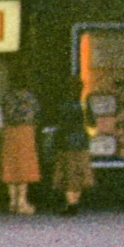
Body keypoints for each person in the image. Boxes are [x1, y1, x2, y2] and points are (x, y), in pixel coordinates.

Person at [0, 82, 42, 214]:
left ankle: (12, 202)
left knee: (10, 165)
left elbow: (2, 112)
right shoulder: (29, 97)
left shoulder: (7, 97)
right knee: (24, 166)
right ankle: (22, 202)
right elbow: (36, 113)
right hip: (25, 131)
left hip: (9, 132)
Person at [48, 82, 94, 215]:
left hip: (65, 142)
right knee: (79, 173)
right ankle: (75, 203)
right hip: (81, 142)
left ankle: (70, 203)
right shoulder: (84, 105)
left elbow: (55, 122)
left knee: (68, 174)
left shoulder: (60, 105)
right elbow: (92, 123)